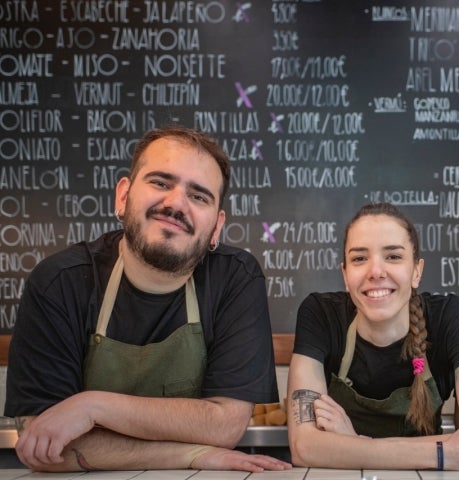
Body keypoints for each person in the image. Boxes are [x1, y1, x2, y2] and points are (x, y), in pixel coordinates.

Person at [4, 125, 292, 473]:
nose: (175, 204)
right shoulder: (60, 282)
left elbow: (225, 425)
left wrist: (92, 407)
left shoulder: (235, 278)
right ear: (123, 197)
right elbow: (42, 444)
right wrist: (192, 453)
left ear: (216, 227)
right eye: (160, 182)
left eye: (199, 196)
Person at [287, 202, 459, 470]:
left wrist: (351, 443)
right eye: (359, 258)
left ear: (417, 271)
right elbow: (304, 447)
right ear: (345, 275)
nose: (376, 271)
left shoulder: (449, 315)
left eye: (393, 257)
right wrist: (441, 453)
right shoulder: (320, 314)